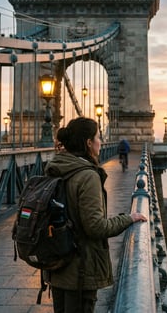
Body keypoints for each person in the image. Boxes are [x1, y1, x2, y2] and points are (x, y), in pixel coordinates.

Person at [44, 117, 147, 313]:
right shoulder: (87, 176)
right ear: (88, 143)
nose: (101, 141)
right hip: (80, 270)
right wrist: (128, 218)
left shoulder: (54, 167)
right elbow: (96, 227)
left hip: (57, 267)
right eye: (98, 137)